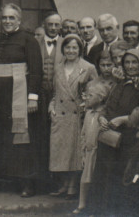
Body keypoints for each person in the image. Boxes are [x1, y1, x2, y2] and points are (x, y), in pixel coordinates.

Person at [0, 4, 44, 197]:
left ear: (19, 20)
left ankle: (27, 183)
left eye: (11, 18)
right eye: (4, 18)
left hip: (18, 95)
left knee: (21, 139)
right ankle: (1, 178)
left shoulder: (29, 40)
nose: (7, 21)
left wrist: (32, 98)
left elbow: (35, 71)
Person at [89, 48, 139, 215]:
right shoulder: (119, 84)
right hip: (109, 137)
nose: (130, 66)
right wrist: (102, 117)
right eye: (127, 63)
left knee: (120, 176)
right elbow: (107, 106)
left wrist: (123, 119)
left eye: (134, 62)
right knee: (105, 176)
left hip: (129, 138)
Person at [49, 34, 97, 199]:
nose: (71, 51)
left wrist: (86, 105)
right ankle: (63, 184)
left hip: (77, 116)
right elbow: (55, 92)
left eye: (74, 48)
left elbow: (95, 91)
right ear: (63, 49)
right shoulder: (58, 67)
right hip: (60, 115)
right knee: (60, 152)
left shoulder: (88, 67)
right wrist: (51, 107)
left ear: (80, 50)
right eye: (68, 47)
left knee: (74, 154)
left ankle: (72, 187)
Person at [74, 80, 111, 215]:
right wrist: (83, 151)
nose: (87, 98)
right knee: (84, 179)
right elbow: (83, 133)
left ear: (100, 98)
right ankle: (82, 204)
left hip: (97, 152)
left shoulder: (104, 115)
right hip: (88, 151)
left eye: (90, 96)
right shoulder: (88, 113)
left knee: (94, 179)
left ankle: (93, 206)